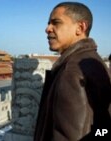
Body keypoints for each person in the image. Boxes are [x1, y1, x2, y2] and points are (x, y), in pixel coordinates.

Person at [34, 2, 111, 141]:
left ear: (80, 27)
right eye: (48, 23)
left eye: (56, 23)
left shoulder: (72, 70)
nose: (47, 29)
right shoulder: (93, 60)